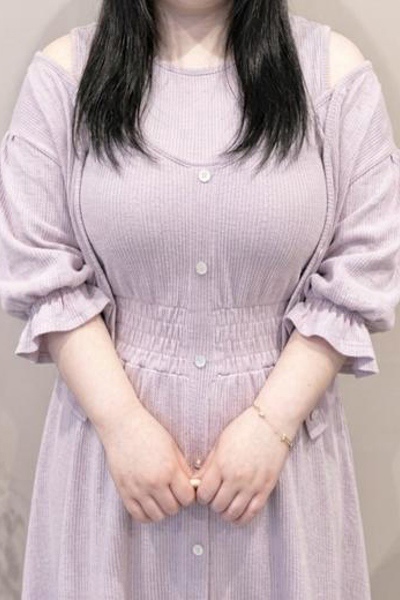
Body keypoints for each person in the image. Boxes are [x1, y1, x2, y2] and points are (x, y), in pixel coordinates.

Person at [0, 1, 399, 598]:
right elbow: (39, 263)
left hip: (282, 470)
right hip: (110, 467)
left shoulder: (333, 76)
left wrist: (272, 426)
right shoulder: (64, 77)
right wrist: (121, 423)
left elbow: (364, 266)